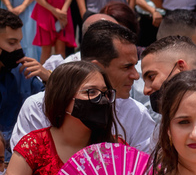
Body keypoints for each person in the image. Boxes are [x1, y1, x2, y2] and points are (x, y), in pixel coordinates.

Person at [11, 22, 158, 154]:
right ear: (95, 67)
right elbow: (22, 171)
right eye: (127, 67)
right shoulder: (37, 108)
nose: (135, 75)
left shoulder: (136, 114)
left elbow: (145, 169)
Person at [0, 9, 43, 162]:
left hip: (20, 159)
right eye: (12, 43)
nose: (19, 49)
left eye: (20, 41)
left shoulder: (24, 72)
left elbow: (54, 100)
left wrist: (49, 77)